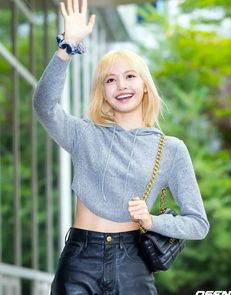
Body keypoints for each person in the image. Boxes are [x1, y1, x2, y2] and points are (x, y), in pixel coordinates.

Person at [32, 0, 210, 294]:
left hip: (133, 265)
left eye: (130, 76)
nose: (121, 85)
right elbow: (44, 106)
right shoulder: (84, 134)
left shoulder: (171, 149)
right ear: (102, 92)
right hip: (80, 260)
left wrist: (151, 220)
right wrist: (67, 47)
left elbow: (198, 223)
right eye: (110, 80)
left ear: (144, 85)